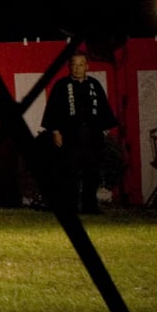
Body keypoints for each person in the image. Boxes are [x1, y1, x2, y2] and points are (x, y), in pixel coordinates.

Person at [39, 51, 118, 214]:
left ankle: (90, 206)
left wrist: (104, 130)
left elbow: (103, 108)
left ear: (87, 66)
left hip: (92, 135)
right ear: (69, 67)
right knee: (70, 173)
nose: (77, 68)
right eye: (74, 64)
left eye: (81, 64)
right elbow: (53, 110)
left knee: (92, 172)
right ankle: (70, 206)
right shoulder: (61, 85)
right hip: (70, 136)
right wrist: (55, 131)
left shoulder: (94, 85)